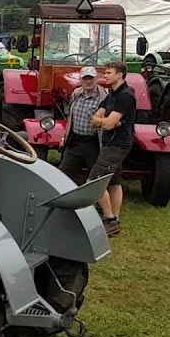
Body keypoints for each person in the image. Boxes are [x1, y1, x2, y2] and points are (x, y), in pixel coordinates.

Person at [89, 60, 136, 236]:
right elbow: (96, 119)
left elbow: (107, 124)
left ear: (120, 75)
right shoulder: (112, 94)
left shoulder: (125, 96)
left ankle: (109, 220)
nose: (104, 75)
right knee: (115, 182)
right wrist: (105, 121)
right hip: (110, 142)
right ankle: (115, 220)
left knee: (94, 182)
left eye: (108, 73)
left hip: (117, 144)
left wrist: (105, 122)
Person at [58, 67, 107, 184]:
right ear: (81, 80)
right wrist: (65, 137)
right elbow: (70, 117)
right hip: (74, 142)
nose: (88, 82)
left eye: (91, 78)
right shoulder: (76, 94)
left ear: (97, 79)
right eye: (85, 78)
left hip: (93, 144)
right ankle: (61, 200)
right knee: (62, 175)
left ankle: (98, 201)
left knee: (96, 180)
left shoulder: (104, 97)